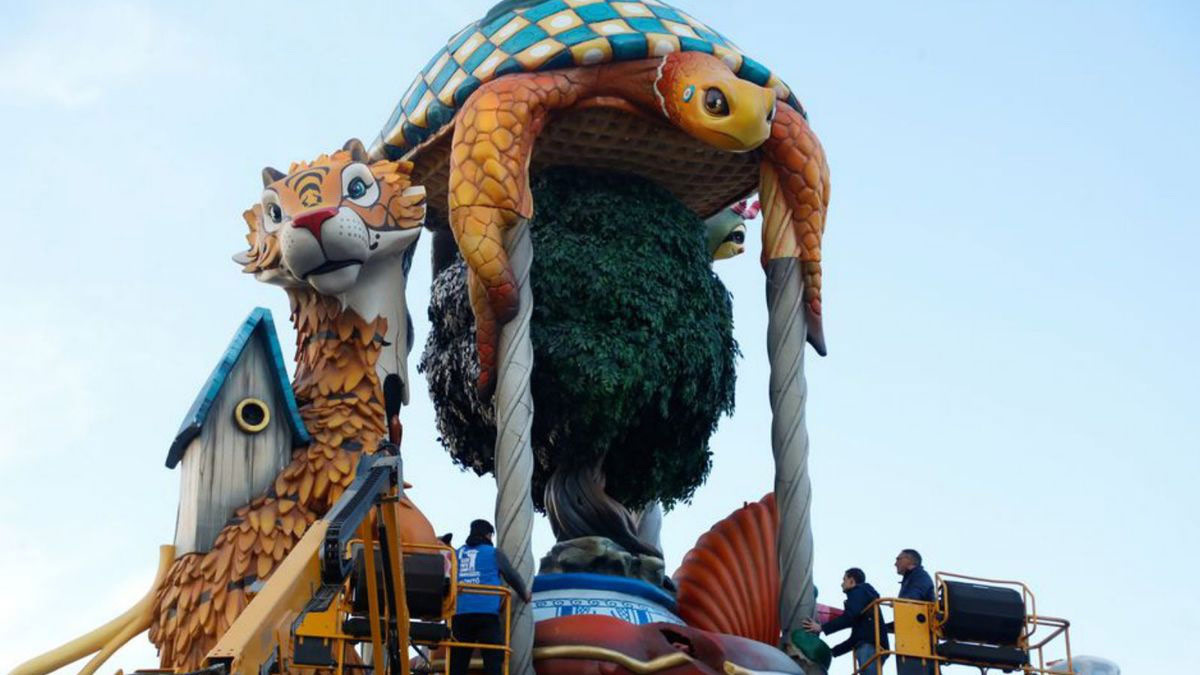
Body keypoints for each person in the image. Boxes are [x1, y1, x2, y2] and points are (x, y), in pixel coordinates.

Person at [450, 519, 532, 675]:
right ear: (488, 535)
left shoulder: (456, 553)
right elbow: (511, 575)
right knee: (493, 656)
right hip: (486, 614)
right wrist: (524, 593)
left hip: (459, 614)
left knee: (457, 660)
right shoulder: (494, 553)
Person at [802, 568, 888, 675]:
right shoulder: (864, 604)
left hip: (869, 647)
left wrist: (822, 628)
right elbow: (855, 638)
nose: (842, 584)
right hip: (872, 645)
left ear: (851, 581)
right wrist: (832, 651)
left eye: (844, 580)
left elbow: (849, 616)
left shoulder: (858, 591)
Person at [894, 548, 935, 675]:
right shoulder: (910, 578)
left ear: (909, 560)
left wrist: (899, 603)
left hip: (920, 636)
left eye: (898, 559)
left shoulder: (920, 576)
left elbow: (913, 598)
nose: (895, 563)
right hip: (911, 636)